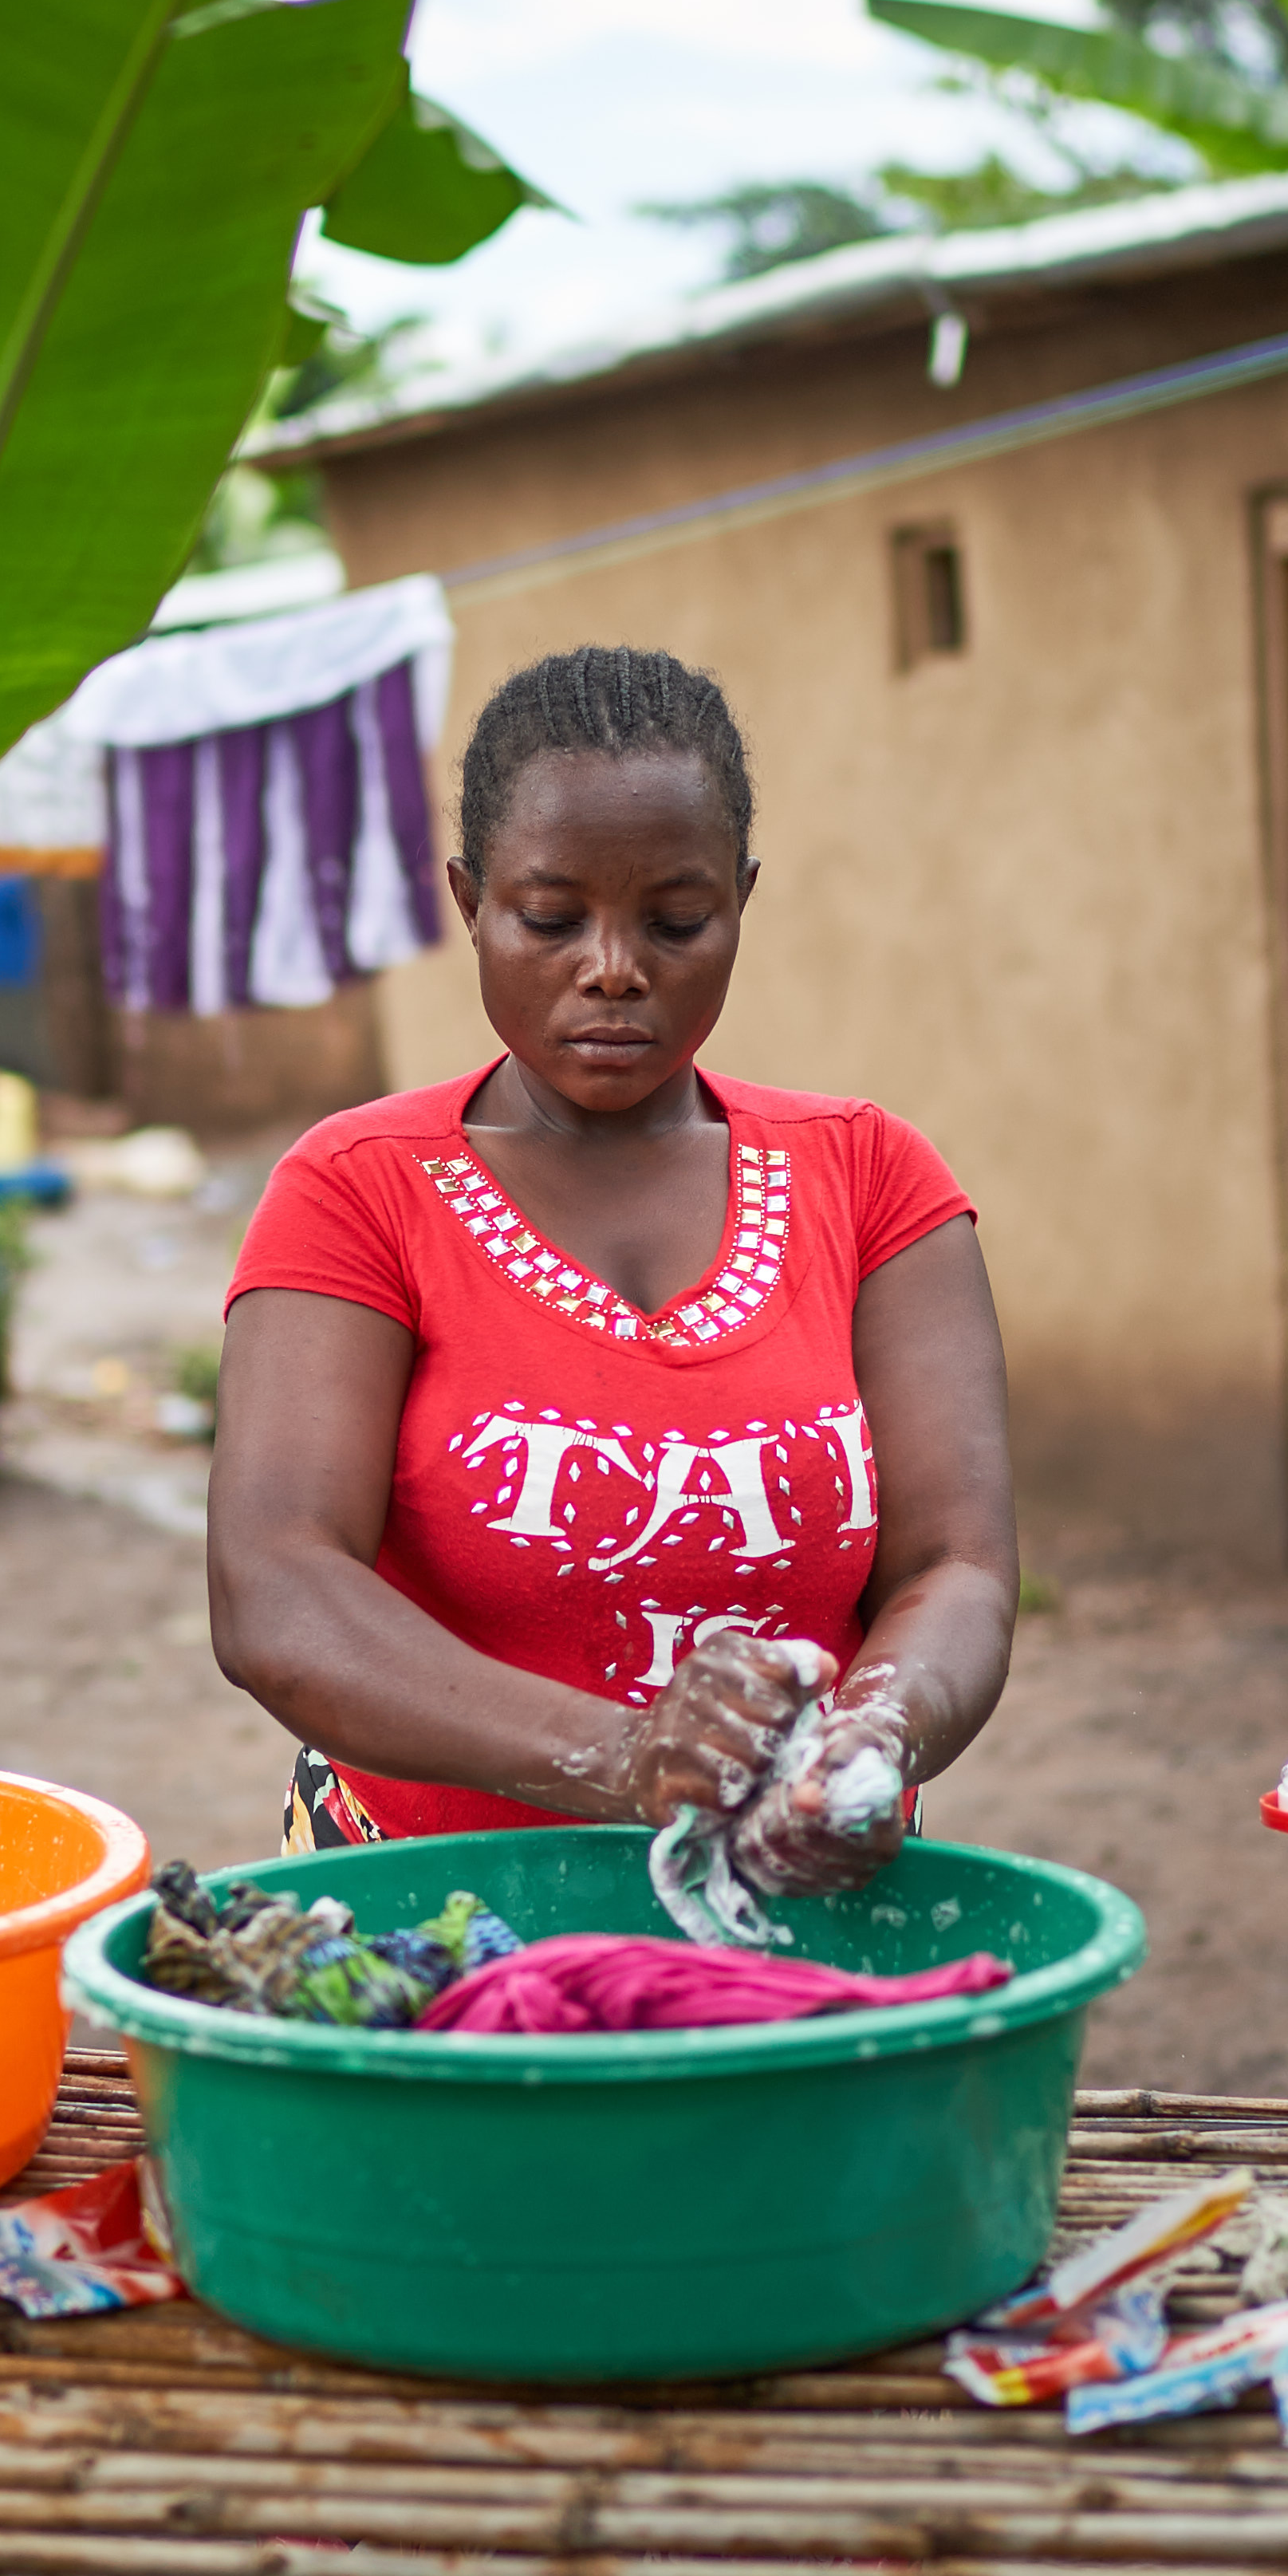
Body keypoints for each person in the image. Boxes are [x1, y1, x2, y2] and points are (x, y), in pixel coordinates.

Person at [209, 646, 1017, 1896]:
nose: (613, 966)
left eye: (675, 920)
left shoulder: (869, 1180)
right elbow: (276, 1591)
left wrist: (867, 1742)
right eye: (549, 917)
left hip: (794, 1914)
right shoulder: (359, 1190)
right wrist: (625, 1757)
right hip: (438, 1928)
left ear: (741, 902)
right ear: (470, 901)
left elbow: (953, 1568)